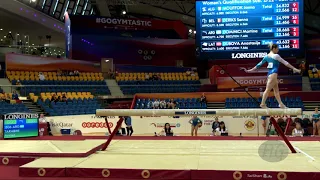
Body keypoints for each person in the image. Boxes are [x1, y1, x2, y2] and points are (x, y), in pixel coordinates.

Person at [243, 44, 300, 108]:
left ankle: (281, 104)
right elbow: (285, 62)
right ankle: (262, 104)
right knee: (267, 90)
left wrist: (249, 70)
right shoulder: (276, 56)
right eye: (277, 49)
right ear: (274, 49)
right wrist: (294, 69)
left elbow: (258, 65)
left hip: (270, 74)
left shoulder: (266, 57)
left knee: (276, 91)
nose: (278, 50)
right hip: (273, 74)